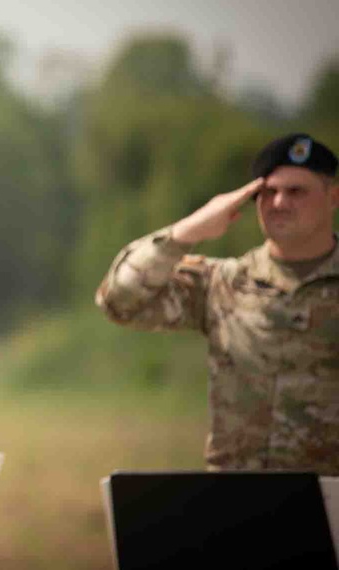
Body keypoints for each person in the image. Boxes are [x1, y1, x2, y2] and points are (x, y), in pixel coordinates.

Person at [96, 132, 339, 474]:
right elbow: (119, 301)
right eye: (267, 192)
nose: (280, 203)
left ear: (333, 197)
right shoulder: (224, 283)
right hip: (234, 502)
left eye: (296, 191)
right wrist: (186, 233)